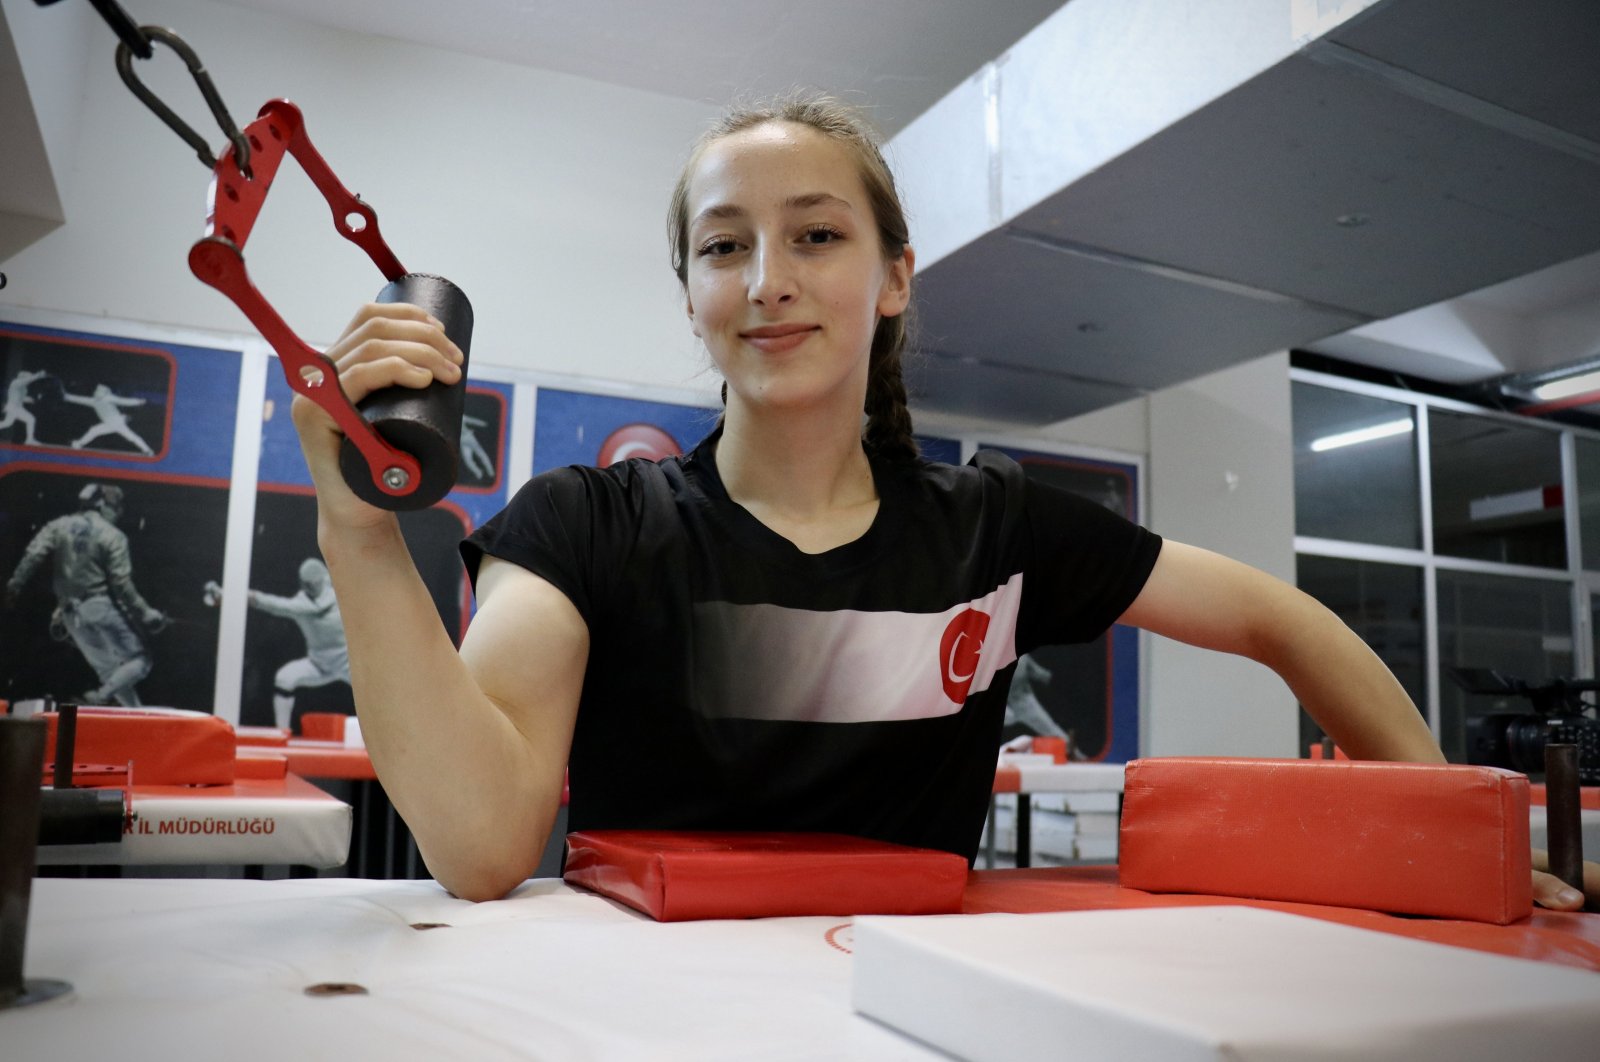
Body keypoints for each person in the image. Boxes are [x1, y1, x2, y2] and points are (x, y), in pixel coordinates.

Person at [291, 92, 1598, 910]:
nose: (766, 281)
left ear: (895, 276)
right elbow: (476, 844)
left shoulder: (996, 529)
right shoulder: (586, 525)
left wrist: (1448, 842)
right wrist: (356, 519)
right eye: (725, 246)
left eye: (815, 235)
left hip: (914, 1016)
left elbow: (1286, 622)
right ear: (688, 290)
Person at [5, 482, 166, 705]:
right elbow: (121, 583)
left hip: (70, 615)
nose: (119, 514)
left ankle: (136, 712)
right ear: (102, 505)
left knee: (110, 672)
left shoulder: (58, 525)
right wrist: (146, 612)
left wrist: (13, 588)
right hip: (99, 607)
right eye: (117, 508)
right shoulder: (113, 535)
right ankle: (99, 697)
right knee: (141, 659)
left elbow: (32, 556)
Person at [205, 558, 351, 730]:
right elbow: (269, 603)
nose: (311, 588)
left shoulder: (343, 593)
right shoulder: (300, 605)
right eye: (307, 585)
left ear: (324, 579)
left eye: (314, 583)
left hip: (349, 664)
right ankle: (283, 732)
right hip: (318, 664)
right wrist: (228, 594)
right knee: (285, 678)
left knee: (377, 693)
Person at [66, 383, 155, 455]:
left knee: (94, 430)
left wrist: (138, 402)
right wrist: (138, 402)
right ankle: (148, 450)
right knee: (131, 436)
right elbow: (124, 401)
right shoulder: (97, 400)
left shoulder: (99, 399)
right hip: (115, 422)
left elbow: (123, 401)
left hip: (115, 421)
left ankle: (77, 444)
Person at [0, 369, 47, 445]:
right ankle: (29, 440)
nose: (29, 379)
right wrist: (39, 375)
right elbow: (28, 380)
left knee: (7, 423)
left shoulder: (23, 388)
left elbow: (21, 398)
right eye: (28, 377)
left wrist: (32, 400)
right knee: (31, 419)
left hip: (15, 408)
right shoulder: (16, 382)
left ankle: (29, 440)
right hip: (13, 407)